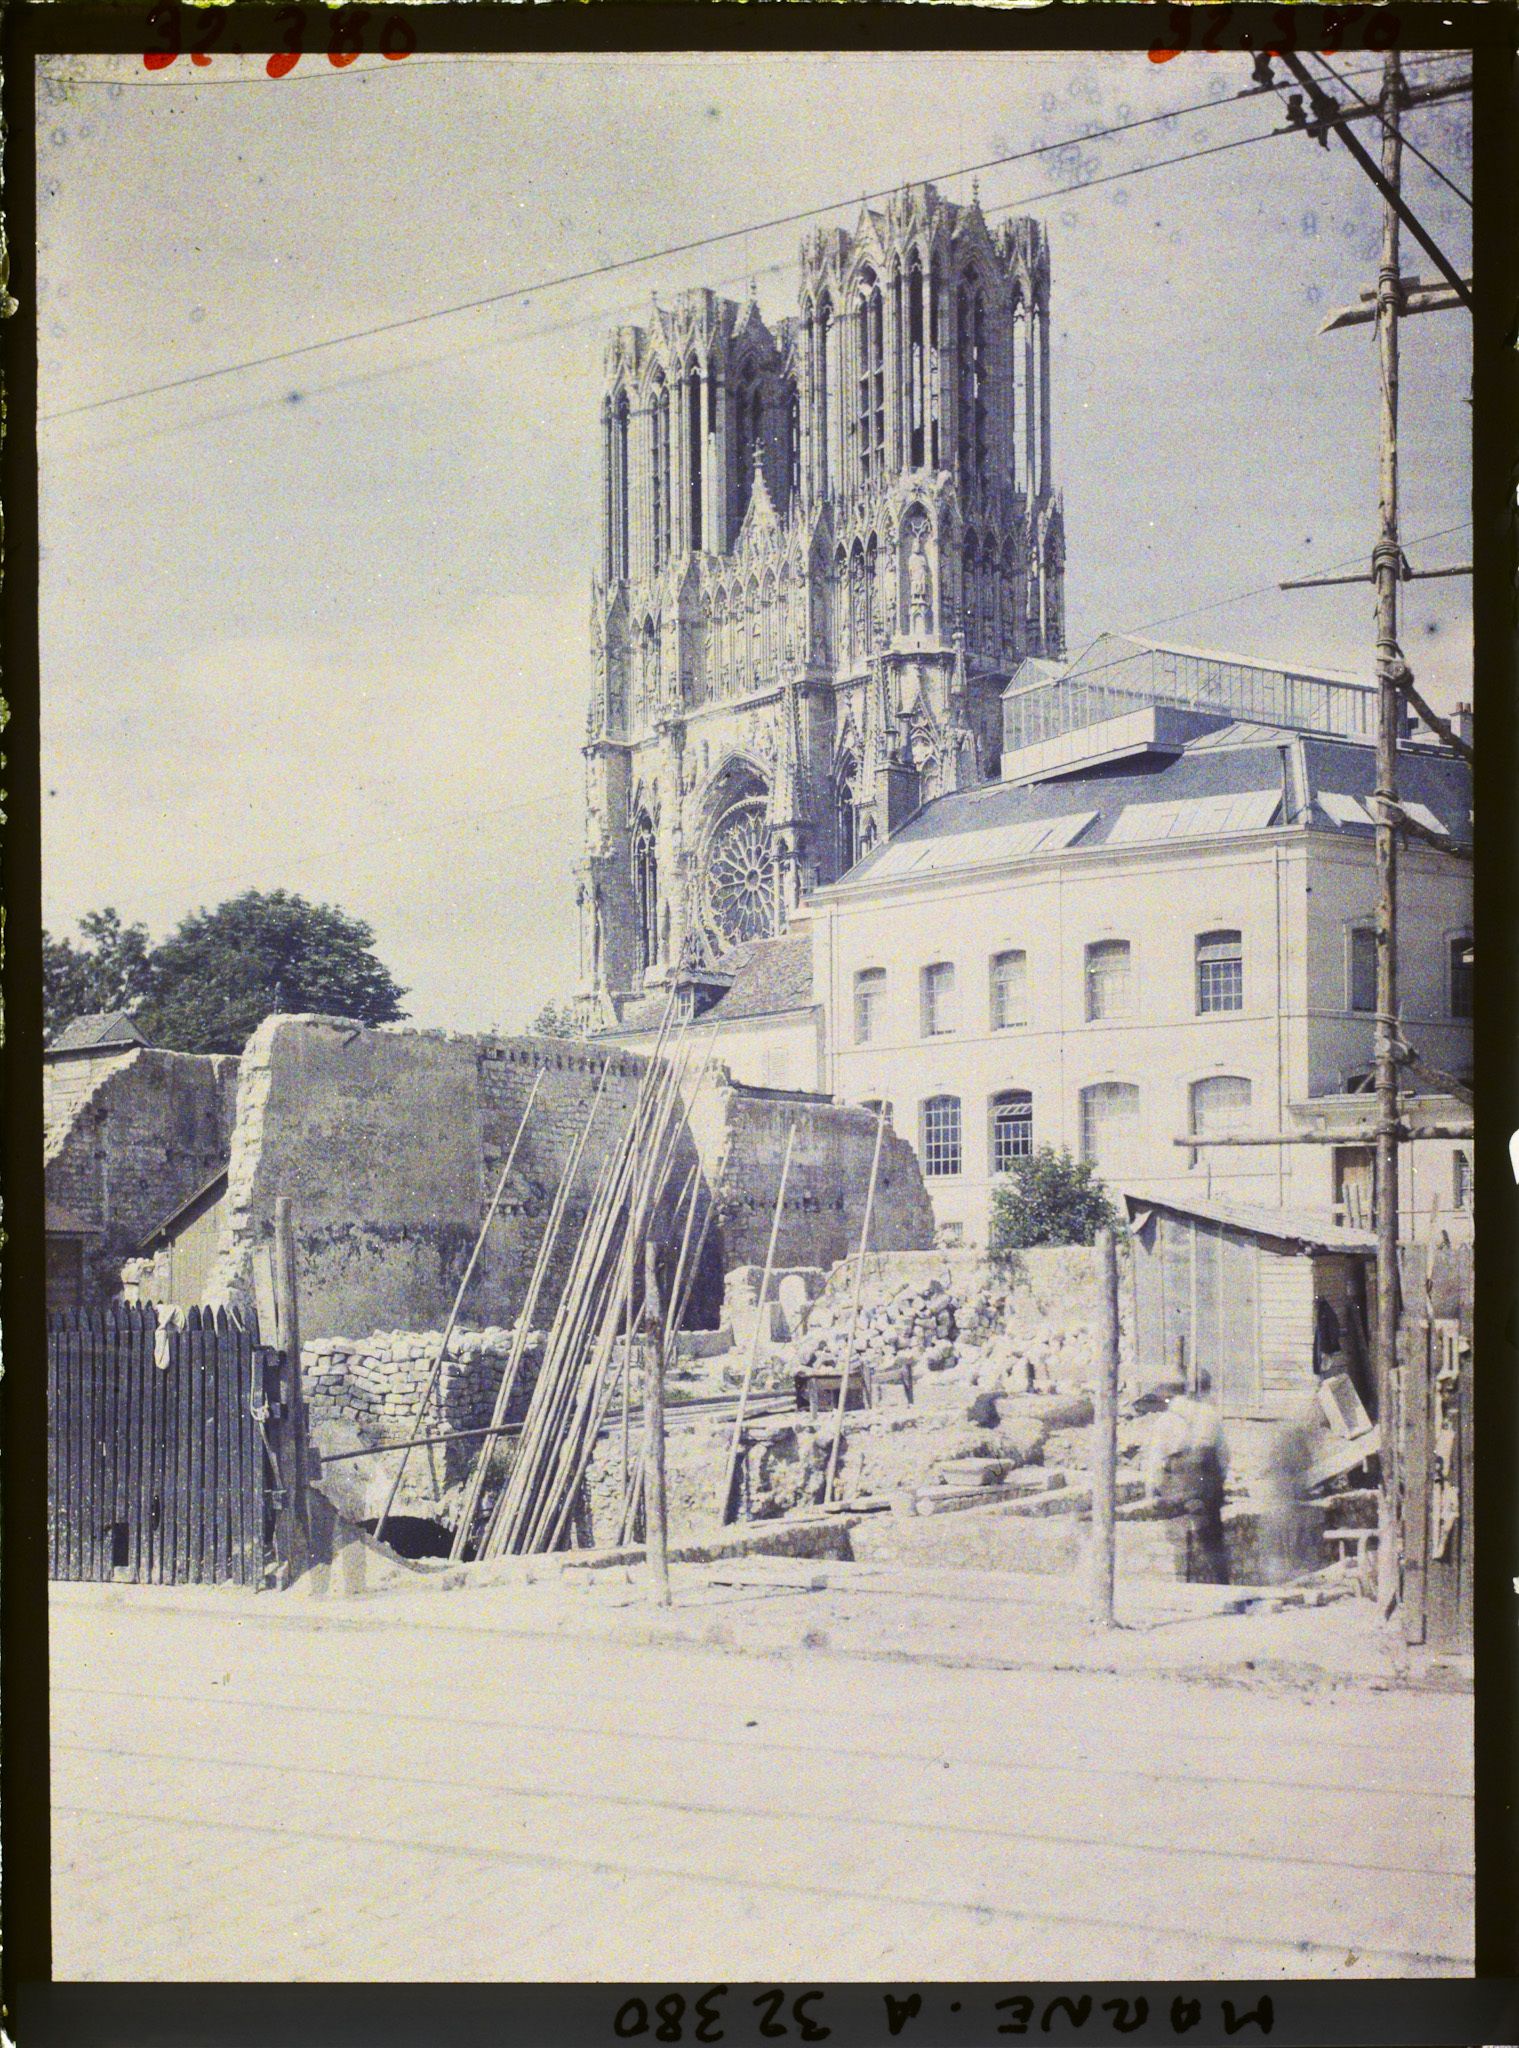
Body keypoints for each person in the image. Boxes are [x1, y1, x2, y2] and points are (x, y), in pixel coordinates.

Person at [1145, 1372, 1231, 1584]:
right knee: (1212, 1539)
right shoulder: (1210, 1414)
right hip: (1206, 1483)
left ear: (1167, 1398)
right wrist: (1217, 1482)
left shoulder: (1164, 1422)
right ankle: (1222, 1584)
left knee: (1179, 1538)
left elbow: (1155, 1460)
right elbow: (1224, 1456)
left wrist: (1152, 1489)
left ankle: (1183, 1583)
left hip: (1177, 1485)